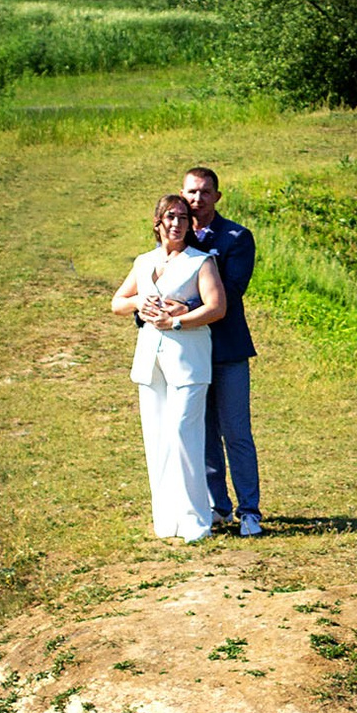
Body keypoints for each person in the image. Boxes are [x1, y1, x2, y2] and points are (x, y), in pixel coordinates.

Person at [110, 193, 228, 542]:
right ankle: (167, 521)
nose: (176, 223)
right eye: (169, 217)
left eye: (182, 217)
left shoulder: (201, 261)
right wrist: (139, 302)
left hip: (188, 359)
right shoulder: (143, 261)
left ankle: (195, 521)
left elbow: (216, 307)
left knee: (182, 434)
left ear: (191, 224)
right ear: (158, 223)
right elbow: (117, 302)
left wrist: (178, 320)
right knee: (157, 439)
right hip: (150, 361)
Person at [182, 166, 262, 537]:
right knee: (204, 433)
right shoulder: (175, 236)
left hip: (227, 349)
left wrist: (184, 309)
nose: (197, 199)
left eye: (204, 192)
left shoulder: (236, 237)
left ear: (217, 196)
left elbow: (230, 292)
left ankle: (250, 510)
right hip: (188, 351)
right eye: (191, 192)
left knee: (235, 431)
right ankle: (219, 506)